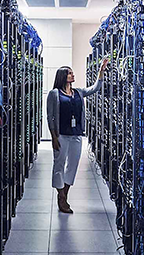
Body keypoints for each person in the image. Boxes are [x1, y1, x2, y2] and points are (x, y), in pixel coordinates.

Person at [46, 58, 109, 213]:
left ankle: (64, 195)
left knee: (72, 166)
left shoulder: (78, 93)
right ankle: (61, 197)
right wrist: (54, 137)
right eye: (69, 73)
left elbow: (95, 88)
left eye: (72, 73)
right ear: (62, 76)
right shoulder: (54, 94)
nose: (72, 75)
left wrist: (101, 70)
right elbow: (50, 116)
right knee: (59, 165)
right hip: (61, 135)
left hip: (76, 135)